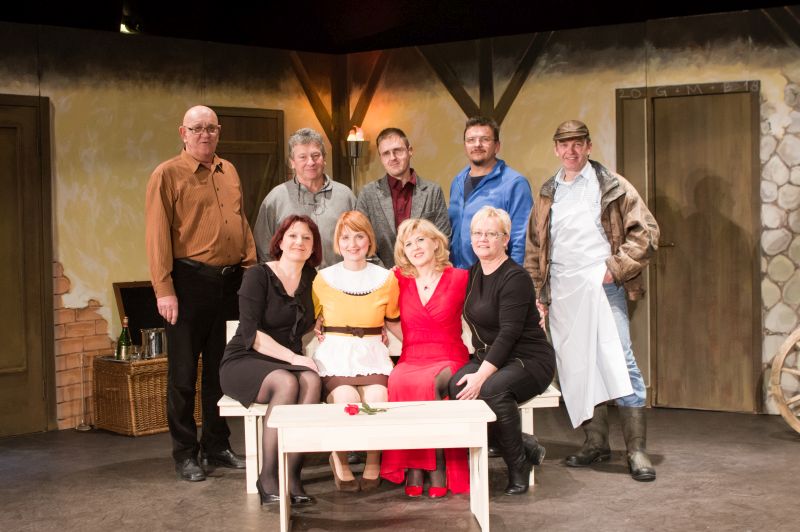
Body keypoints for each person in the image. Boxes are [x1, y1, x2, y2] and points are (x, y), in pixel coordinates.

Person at [524, 120, 660, 482]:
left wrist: (614, 269)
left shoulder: (612, 185)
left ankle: (636, 449)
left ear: (588, 146)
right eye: (564, 144)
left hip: (602, 285)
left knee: (621, 360)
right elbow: (535, 247)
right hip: (563, 290)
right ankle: (595, 442)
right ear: (556, 149)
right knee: (577, 365)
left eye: (577, 144)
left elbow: (646, 233)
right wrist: (538, 293)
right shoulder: (548, 192)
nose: (570, 151)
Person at [145, 105, 256, 482]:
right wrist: (164, 289)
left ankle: (216, 445)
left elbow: (240, 221)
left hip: (230, 282)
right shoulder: (167, 174)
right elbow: (157, 235)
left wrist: (251, 268)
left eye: (210, 128)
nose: (204, 134)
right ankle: (184, 452)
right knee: (182, 374)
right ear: (183, 132)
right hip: (187, 284)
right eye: (196, 128)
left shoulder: (230, 171)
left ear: (219, 131)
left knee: (219, 371)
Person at [449, 206, 555, 495]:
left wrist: (480, 376)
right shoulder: (473, 273)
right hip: (493, 356)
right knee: (456, 386)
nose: (482, 239)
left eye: (491, 234)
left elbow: (508, 335)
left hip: (529, 358)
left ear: (505, 239)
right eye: (477, 233)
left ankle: (517, 464)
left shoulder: (515, 278)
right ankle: (522, 443)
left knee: (491, 389)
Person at [220, 215, 322, 505]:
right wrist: (293, 357)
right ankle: (267, 476)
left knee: (312, 380)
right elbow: (251, 333)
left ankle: (292, 475)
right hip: (246, 358)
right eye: (293, 236)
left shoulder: (313, 279)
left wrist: (322, 323)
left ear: (314, 246)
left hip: (284, 362)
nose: (299, 242)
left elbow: (316, 315)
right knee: (286, 383)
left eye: (306, 238)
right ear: (280, 241)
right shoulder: (258, 275)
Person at [379, 219, 470, 498]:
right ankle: (415, 467)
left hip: (449, 355)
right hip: (411, 356)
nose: (415, 247)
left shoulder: (460, 278)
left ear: (435, 243)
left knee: (427, 383)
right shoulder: (397, 280)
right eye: (408, 244)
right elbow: (374, 307)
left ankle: (436, 467)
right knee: (398, 380)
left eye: (421, 240)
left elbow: (487, 306)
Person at [312, 211, 399, 491]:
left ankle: (374, 461)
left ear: (369, 240)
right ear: (337, 242)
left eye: (359, 236)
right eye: (345, 237)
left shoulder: (386, 278)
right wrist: (316, 325)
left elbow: (392, 319)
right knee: (346, 400)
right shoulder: (323, 278)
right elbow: (313, 317)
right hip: (336, 354)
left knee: (377, 399)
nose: (352, 244)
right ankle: (340, 459)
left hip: (372, 352)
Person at [253, 127, 356, 268]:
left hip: (337, 279)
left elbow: (360, 240)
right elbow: (263, 249)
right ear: (292, 162)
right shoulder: (275, 198)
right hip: (290, 280)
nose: (311, 162)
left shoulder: (345, 196)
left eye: (316, 155)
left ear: (324, 158)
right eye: (303, 157)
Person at [356, 127, 450, 267]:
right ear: (381, 158)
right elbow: (361, 241)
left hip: (424, 275)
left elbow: (443, 238)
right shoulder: (367, 194)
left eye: (397, 151)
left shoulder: (433, 192)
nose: (392, 157)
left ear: (410, 151)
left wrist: (420, 271)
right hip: (382, 275)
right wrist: (387, 274)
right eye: (386, 153)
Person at [448, 116, 532, 269]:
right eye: (471, 140)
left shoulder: (515, 184)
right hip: (458, 275)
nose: (477, 144)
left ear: (497, 146)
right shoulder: (457, 182)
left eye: (485, 139)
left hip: (495, 276)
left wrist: (514, 277)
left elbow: (521, 240)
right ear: (465, 146)